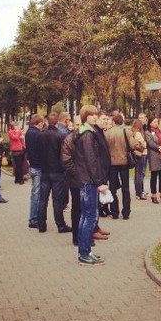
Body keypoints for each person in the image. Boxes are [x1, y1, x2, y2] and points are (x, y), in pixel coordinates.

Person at [74, 105, 109, 266]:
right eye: (91, 115)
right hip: (89, 181)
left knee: (85, 217)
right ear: (85, 117)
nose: (95, 117)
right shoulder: (87, 134)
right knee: (90, 217)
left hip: (85, 180)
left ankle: (86, 251)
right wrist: (99, 182)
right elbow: (91, 160)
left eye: (96, 114)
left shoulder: (84, 132)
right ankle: (84, 254)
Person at [38, 112, 72, 233]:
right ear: (57, 122)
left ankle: (41, 225)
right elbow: (63, 154)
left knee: (43, 199)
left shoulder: (41, 135)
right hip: (57, 171)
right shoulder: (60, 135)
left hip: (44, 171)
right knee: (57, 200)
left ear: (47, 121)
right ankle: (61, 225)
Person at [104, 114, 131, 219]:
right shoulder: (126, 131)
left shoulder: (107, 133)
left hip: (112, 163)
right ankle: (126, 212)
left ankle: (114, 211)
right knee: (126, 188)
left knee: (112, 188)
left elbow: (104, 147)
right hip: (124, 162)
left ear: (113, 122)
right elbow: (133, 145)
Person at [60, 116, 82, 246]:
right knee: (77, 208)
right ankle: (76, 237)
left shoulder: (88, 137)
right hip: (75, 180)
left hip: (87, 179)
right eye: (77, 125)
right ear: (73, 126)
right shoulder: (69, 139)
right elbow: (66, 160)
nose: (79, 127)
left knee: (87, 209)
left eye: (81, 124)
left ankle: (85, 236)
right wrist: (78, 173)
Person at [25, 114, 46, 229]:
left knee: (34, 192)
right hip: (38, 166)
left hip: (32, 165)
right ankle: (33, 219)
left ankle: (34, 217)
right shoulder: (38, 134)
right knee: (37, 194)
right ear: (40, 123)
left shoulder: (28, 132)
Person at [145, 116, 161, 204]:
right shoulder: (148, 132)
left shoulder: (160, 131)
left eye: (157, 122)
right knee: (154, 175)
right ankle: (153, 195)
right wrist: (158, 148)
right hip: (154, 155)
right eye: (154, 122)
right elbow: (150, 143)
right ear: (150, 123)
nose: (156, 123)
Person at [131, 118, 148, 200]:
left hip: (137, 154)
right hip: (141, 154)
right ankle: (139, 192)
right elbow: (143, 144)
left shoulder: (132, 133)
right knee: (140, 174)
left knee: (137, 173)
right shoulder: (138, 133)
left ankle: (138, 191)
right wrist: (145, 143)